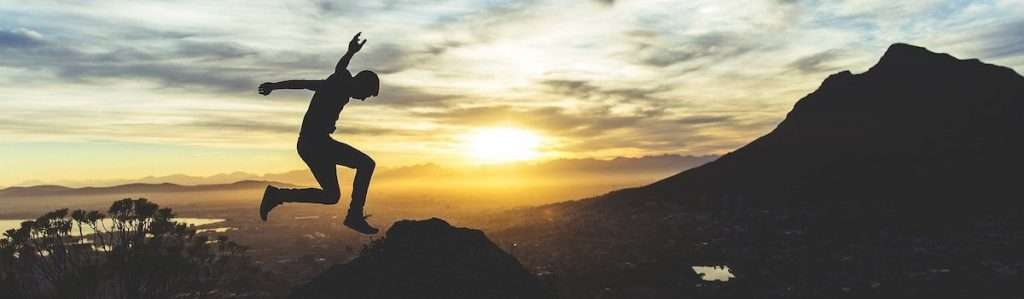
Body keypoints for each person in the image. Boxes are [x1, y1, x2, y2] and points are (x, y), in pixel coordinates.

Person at [256, 32, 380, 234]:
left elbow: (309, 82)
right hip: (316, 144)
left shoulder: (340, 87)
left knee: (331, 196)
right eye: (367, 93)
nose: (365, 99)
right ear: (362, 84)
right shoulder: (340, 82)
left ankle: (277, 195)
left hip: (313, 145)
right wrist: (350, 52)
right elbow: (333, 72)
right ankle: (354, 216)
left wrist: (274, 86)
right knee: (367, 164)